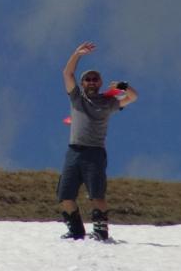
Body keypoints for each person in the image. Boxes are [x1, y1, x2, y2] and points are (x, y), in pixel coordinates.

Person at [58, 41, 138, 240]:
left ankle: (101, 232)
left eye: (95, 79)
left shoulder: (109, 102)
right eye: (88, 79)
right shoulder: (77, 98)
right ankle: (75, 231)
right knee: (65, 196)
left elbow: (133, 97)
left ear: (100, 83)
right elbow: (67, 74)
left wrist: (122, 86)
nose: (91, 81)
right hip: (74, 152)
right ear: (83, 83)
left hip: (95, 152)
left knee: (97, 195)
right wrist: (77, 54)